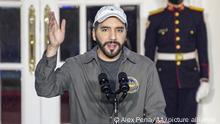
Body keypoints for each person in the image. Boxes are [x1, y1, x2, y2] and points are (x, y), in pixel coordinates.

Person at [35, 5, 167, 124]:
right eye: (105, 29)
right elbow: (44, 89)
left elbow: (156, 112)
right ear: (94, 34)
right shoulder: (75, 66)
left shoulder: (145, 67)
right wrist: (53, 47)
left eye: (119, 30)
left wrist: (158, 120)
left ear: (125, 33)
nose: (113, 37)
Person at [144, 0, 210, 123]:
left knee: (188, 120)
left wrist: (205, 79)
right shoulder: (155, 18)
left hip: (190, 78)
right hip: (163, 80)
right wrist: (149, 83)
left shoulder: (196, 16)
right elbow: (149, 54)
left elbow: (203, 51)